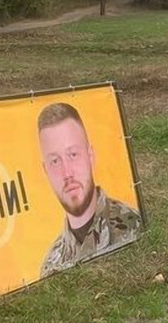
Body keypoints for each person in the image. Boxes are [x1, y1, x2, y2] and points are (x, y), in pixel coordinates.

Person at [37, 103, 142, 278]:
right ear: (46, 170)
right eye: (55, 161)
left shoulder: (133, 226)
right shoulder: (50, 266)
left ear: (90, 157)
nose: (67, 173)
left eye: (73, 155)